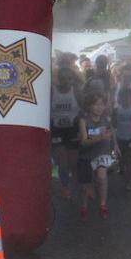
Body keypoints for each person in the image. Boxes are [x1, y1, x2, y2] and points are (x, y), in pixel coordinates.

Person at [77, 92, 118, 220]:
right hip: (87, 155)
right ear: (89, 106)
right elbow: (84, 141)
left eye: (102, 104)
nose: (99, 107)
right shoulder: (84, 120)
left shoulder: (106, 119)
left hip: (102, 153)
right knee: (86, 186)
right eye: (96, 104)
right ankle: (84, 206)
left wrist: (115, 145)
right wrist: (100, 137)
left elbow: (112, 132)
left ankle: (103, 205)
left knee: (102, 177)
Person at [51, 68, 82, 199]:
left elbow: (83, 108)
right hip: (57, 130)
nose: (66, 81)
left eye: (69, 79)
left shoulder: (75, 90)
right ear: (59, 79)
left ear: (72, 79)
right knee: (62, 162)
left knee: (73, 162)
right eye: (63, 78)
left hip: (72, 129)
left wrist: (77, 120)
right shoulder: (52, 91)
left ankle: (75, 182)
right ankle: (65, 187)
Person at [113, 85, 131, 192]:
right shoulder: (116, 110)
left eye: (128, 98)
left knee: (128, 159)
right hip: (119, 138)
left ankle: (128, 182)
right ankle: (121, 166)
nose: (126, 100)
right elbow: (113, 125)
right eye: (123, 98)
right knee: (121, 158)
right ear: (119, 99)